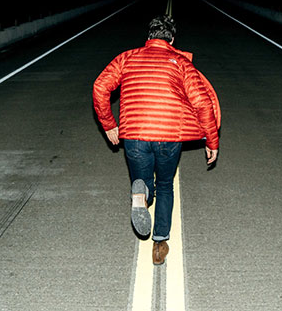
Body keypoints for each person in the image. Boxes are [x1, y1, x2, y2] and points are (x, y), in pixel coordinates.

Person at [93, 15, 220, 265]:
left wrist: (109, 124)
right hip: (170, 135)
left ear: (148, 37)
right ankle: (160, 243)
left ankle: (140, 195)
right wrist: (211, 141)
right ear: (172, 39)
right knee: (165, 186)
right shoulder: (181, 63)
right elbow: (203, 103)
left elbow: (100, 87)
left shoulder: (127, 57)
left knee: (142, 181)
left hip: (135, 134)